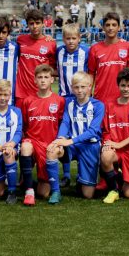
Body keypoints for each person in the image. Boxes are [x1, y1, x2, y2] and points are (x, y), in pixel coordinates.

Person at [47, 72, 104, 202]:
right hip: (72, 146)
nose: (79, 90)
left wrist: (69, 141)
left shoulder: (98, 105)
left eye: (83, 87)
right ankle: (56, 192)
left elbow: (93, 131)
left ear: (90, 87)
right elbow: (66, 122)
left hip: (90, 146)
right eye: (76, 87)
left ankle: (82, 179)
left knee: (87, 194)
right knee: (52, 150)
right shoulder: (69, 103)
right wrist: (60, 138)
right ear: (72, 88)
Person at [99, 68, 129, 204]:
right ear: (118, 85)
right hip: (115, 149)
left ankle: (119, 177)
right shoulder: (109, 105)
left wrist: (120, 144)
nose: (126, 89)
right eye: (123, 85)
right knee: (106, 156)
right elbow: (106, 130)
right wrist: (107, 144)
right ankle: (113, 189)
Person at [19, 64, 65, 205]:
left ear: (52, 80)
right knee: (25, 147)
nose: (43, 80)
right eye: (40, 77)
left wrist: (60, 141)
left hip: (49, 144)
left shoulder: (59, 101)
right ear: (35, 80)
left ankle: (32, 181)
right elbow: (24, 125)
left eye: (46, 77)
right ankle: (28, 191)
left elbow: (63, 123)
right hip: (32, 141)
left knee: (43, 193)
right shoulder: (27, 101)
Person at [55, 23, 89, 185]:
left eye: (74, 38)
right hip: (64, 98)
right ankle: (67, 174)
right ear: (63, 39)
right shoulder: (58, 52)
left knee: (81, 132)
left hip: (80, 99)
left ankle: (83, 172)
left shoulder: (85, 52)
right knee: (65, 133)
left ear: (79, 38)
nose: (70, 41)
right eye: (67, 38)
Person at [88, 12, 129, 105]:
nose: (110, 28)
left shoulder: (128, 47)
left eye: (114, 25)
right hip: (101, 98)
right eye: (107, 25)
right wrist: (89, 91)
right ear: (103, 27)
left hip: (122, 97)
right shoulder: (95, 48)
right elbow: (91, 73)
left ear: (119, 27)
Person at [15, 9, 57, 110]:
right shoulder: (20, 40)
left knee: (40, 123)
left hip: (42, 92)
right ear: (27, 25)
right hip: (22, 93)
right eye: (31, 23)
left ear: (43, 23)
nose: (35, 26)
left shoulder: (51, 43)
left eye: (38, 23)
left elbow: (53, 69)